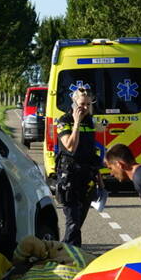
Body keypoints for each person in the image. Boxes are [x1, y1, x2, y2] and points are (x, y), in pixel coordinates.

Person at [55, 87, 103, 246]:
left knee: (78, 223)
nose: (86, 108)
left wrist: (100, 180)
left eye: (89, 104)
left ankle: (69, 252)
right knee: (73, 223)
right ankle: (72, 256)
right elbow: (70, 147)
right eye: (82, 104)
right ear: (74, 103)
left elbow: (90, 152)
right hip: (70, 178)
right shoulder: (64, 121)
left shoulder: (90, 122)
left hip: (86, 178)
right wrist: (76, 123)